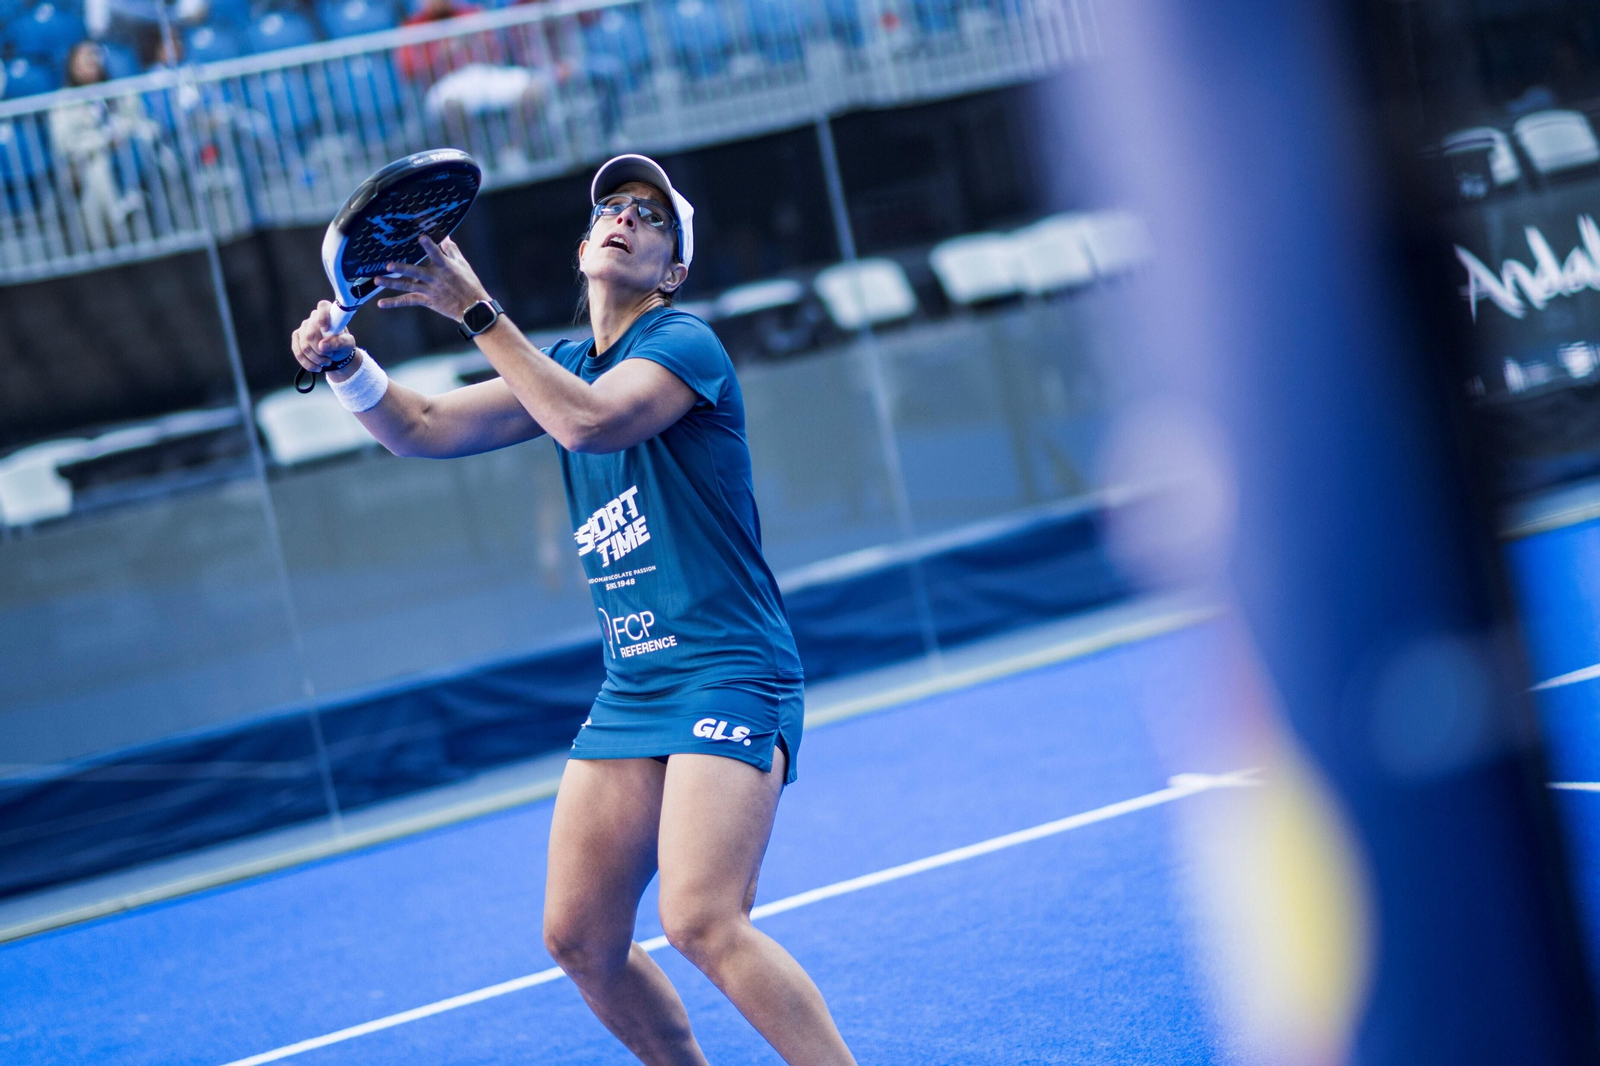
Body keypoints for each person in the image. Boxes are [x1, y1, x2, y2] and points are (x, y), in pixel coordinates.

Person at [288, 154, 858, 1066]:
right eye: (612, 209)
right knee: (579, 938)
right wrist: (352, 367)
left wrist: (475, 309)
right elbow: (422, 428)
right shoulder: (559, 365)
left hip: (730, 665)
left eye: (652, 216)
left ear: (672, 269)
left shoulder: (683, 343)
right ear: (584, 244)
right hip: (636, 684)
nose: (626, 218)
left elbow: (590, 422)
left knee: (703, 919)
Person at [49, 40, 159, 250]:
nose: (91, 63)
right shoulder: (64, 102)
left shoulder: (116, 91)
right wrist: (104, 141)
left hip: (126, 151)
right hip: (91, 161)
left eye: (94, 58)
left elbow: (135, 118)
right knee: (98, 170)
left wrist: (120, 132)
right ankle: (116, 222)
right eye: (84, 60)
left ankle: (134, 197)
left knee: (142, 141)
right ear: (73, 65)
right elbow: (65, 143)